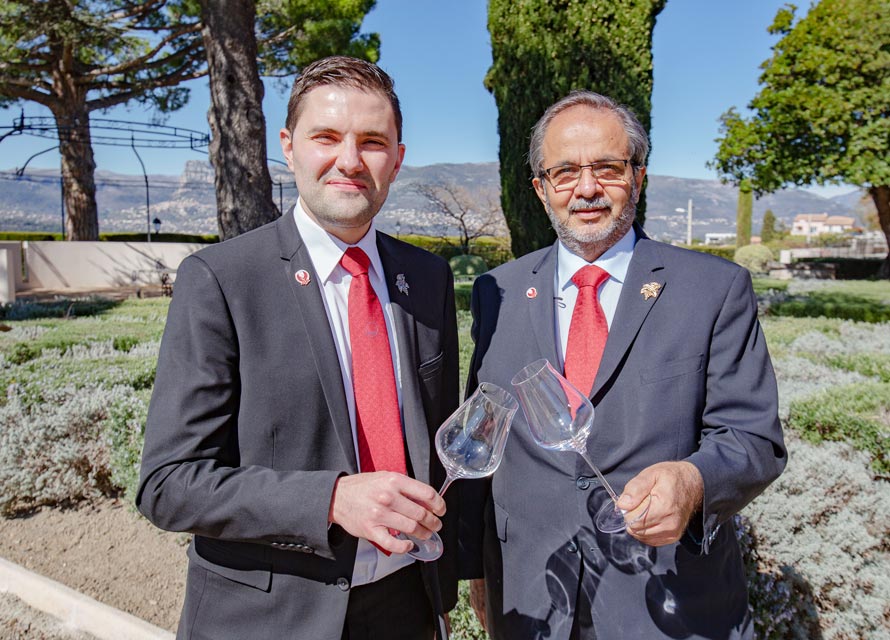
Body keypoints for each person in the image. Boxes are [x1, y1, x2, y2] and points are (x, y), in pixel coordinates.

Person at [137, 56, 460, 640]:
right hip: (270, 618)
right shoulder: (221, 280)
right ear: (288, 147)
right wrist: (332, 499)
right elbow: (168, 484)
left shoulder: (428, 278)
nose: (349, 160)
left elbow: (440, 445)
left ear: (398, 158)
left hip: (407, 606)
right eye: (327, 137)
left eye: (372, 141)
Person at [460, 91, 787, 639]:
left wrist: (693, 479)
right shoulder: (499, 291)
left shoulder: (713, 289)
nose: (586, 189)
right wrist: (472, 566)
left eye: (607, 168)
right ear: (541, 189)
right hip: (530, 594)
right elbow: (482, 431)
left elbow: (754, 438)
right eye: (564, 172)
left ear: (638, 176)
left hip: (668, 600)